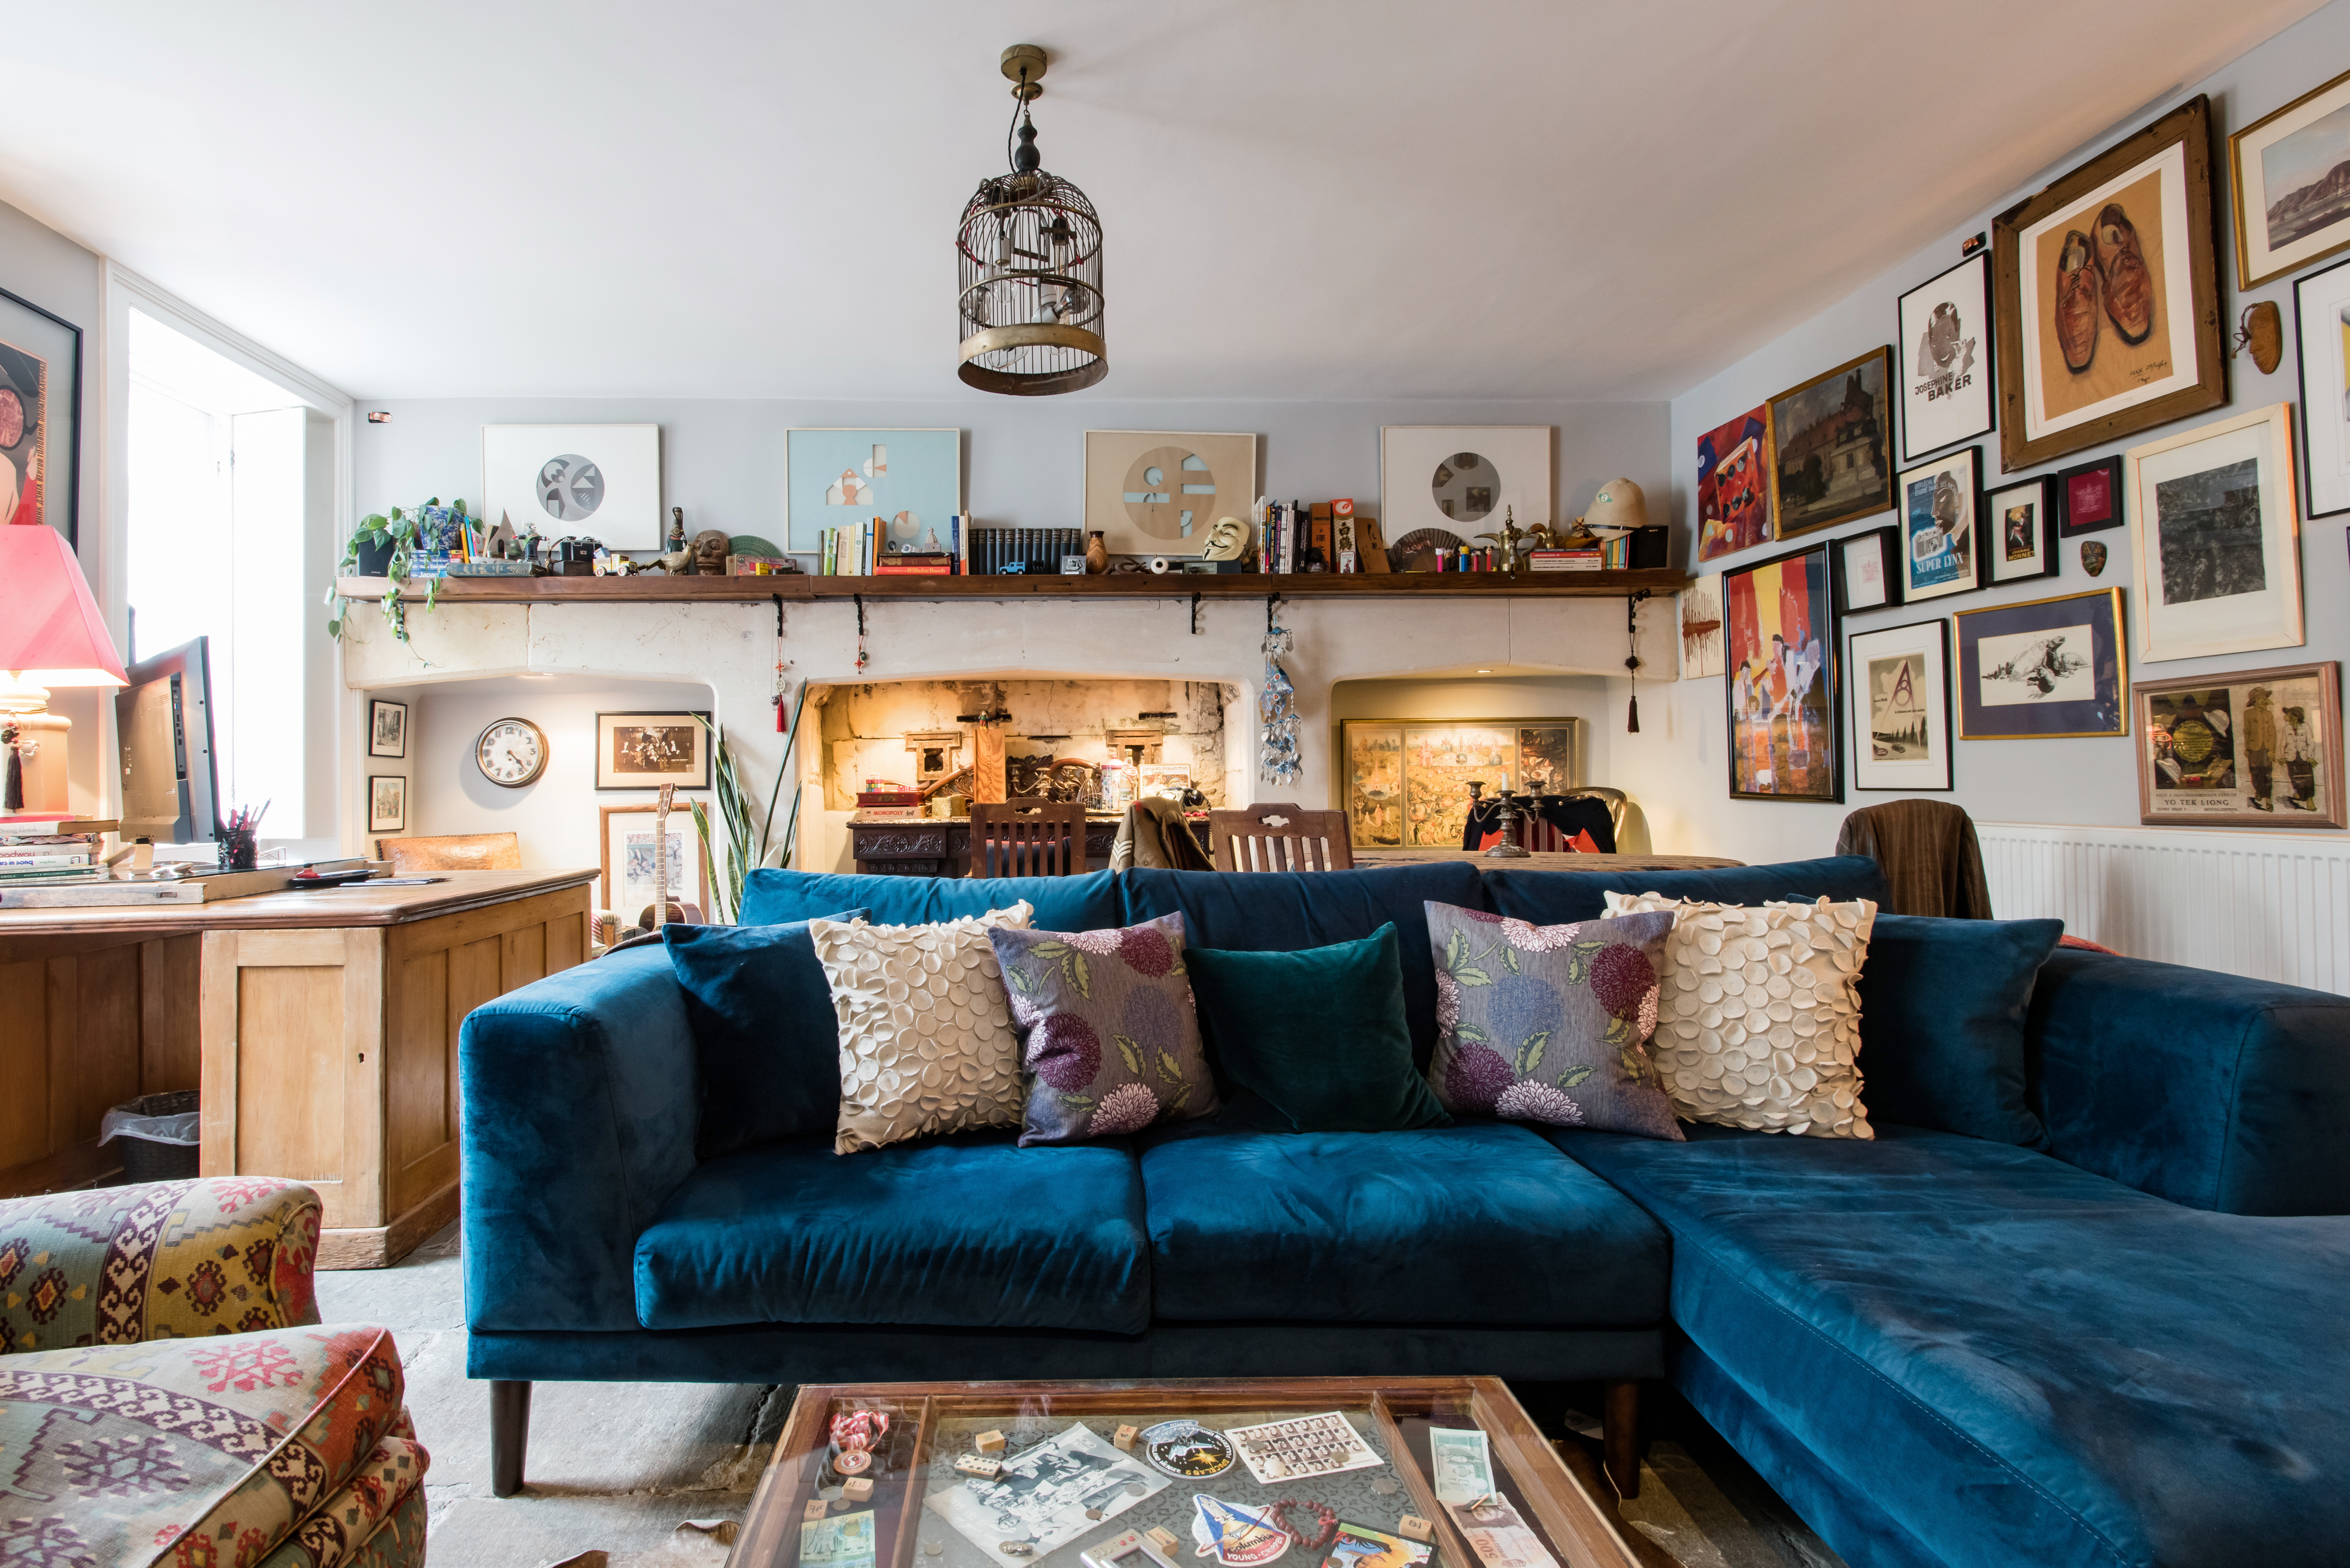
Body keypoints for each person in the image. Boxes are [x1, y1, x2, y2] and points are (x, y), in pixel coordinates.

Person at [2279, 704, 2321, 811]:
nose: (2288, 718)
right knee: (2294, 777)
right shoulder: (2287, 728)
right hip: (2291, 757)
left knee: (2308, 778)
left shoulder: (2305, 726)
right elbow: (2282, 744)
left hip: (2304, 757)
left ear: (2297, 717)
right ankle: (2298, 793)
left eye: (2290, 716)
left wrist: (2310, 756)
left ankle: (2310, 800)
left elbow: (2311, 742)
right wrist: (2283, 757)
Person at [2242, 686, 2276, 811]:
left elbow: (2272, 733)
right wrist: (2247, 748)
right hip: (2254, 748)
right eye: (2262, 699)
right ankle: (2258, 790)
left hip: (2266, 749)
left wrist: (2272, 750)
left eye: (2265, 699)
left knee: (2267, 773)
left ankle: (2268, 799)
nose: (2265, 701)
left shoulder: (2269, 714)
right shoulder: (2248, 714)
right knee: (2256, 772)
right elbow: (2247, 732)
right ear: (2256, 701)